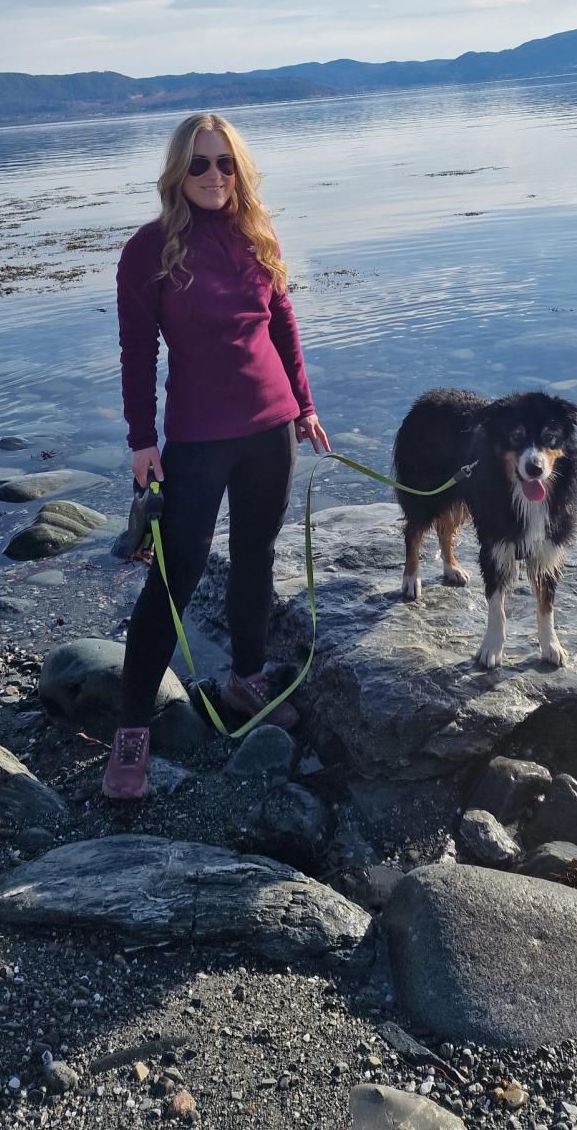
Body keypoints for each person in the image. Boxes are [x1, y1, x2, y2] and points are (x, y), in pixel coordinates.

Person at [104, 111, 330, 799]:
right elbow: (137, 351)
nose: (212, 176)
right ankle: (132, 730)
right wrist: (141, 438)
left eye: (224, 163)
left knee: (257, 556)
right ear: (179, 172)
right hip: (198, 438)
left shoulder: (256, 234)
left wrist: (305, 403)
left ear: (240, 170)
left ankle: (245, 680)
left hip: (271, 430)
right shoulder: (149, 250)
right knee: (174, 576)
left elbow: (282, 322)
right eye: (199, 163)